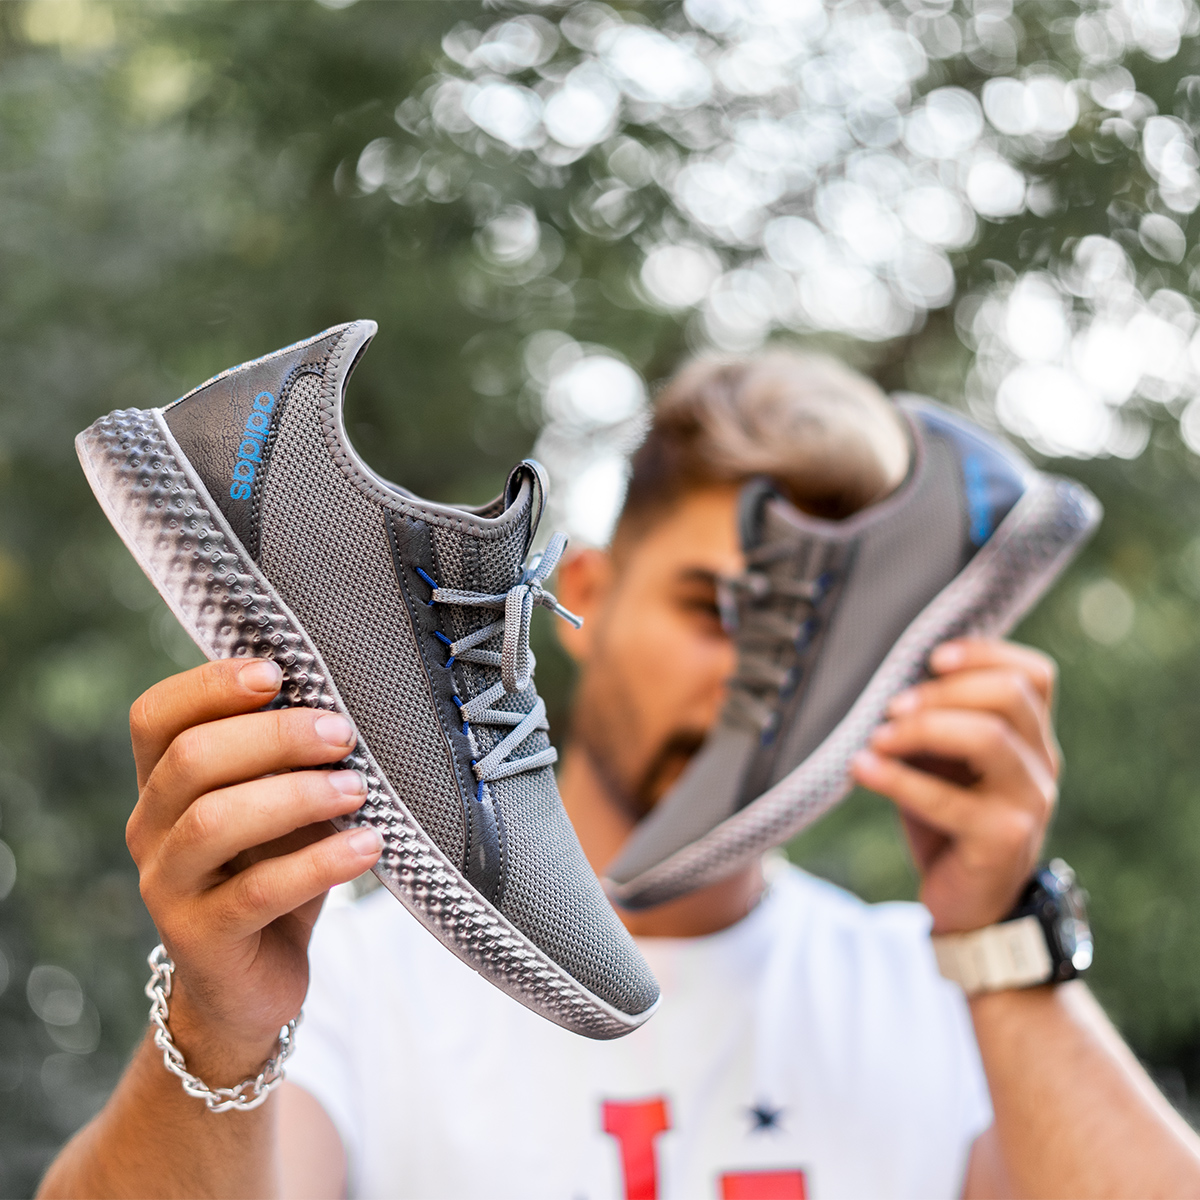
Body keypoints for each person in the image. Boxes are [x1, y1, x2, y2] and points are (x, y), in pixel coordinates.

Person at [39, 353, 1200, 1199]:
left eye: (804, 647)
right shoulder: (344, 974)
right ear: (582, 594)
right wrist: (220, 1026)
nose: (749, 680)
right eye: (716, 610)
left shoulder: (935, 993)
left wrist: (1000, 937)